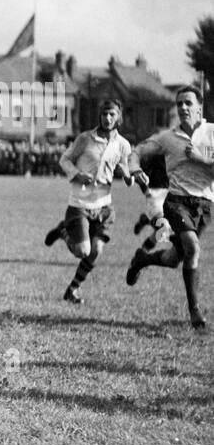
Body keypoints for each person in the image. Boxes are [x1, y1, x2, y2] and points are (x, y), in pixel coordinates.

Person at [125, 85, 214, 329]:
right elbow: (137, 151)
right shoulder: (167, 138)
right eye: (179, 103)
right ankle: (195, 312)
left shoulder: (211, 133)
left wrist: (201, 159)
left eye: (188, 103)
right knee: (193, 248)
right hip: (177, 201)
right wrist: (135, 168)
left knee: (175, 258)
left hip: (205, 205)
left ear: (199, 107)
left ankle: (142, 259)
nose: (183, 107)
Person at [42, 96, 132, 304]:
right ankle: (63, 231)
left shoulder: (123, 145)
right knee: (83, 251)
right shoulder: (85, 139)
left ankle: (72, 289)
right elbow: (64, 159)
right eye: (104, 114)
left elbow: (127, 171)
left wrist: (131, 177)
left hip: (103, 206)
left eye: (112, 114)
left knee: (96, 250)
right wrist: (77, 174)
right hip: (80, 204)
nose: (107, 118)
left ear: (119, 117)